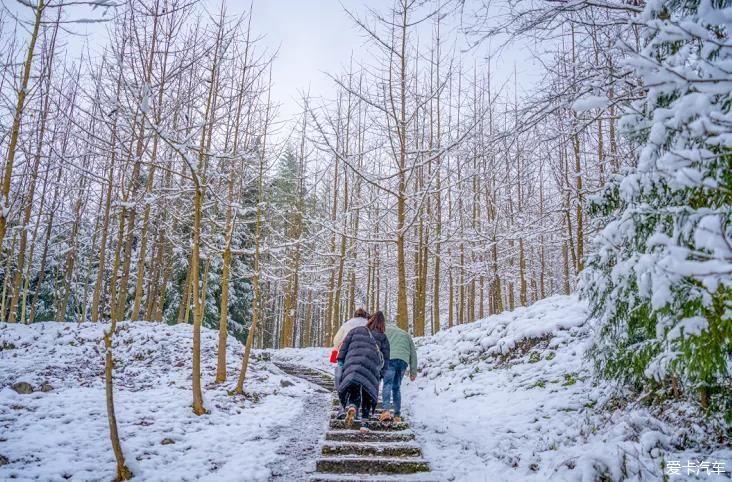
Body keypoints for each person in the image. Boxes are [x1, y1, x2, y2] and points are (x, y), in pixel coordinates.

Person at [336, 311, 390, 430]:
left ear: (369, 320)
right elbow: (386, 359)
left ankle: (352, 406)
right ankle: (364, 422)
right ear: (382, 324)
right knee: (368, 392)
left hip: (352, 364)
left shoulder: (356, 330)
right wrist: (381, 374)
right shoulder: (383, 337)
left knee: (354, 387)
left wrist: (341, 361)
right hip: (371, 368)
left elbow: (344, 347)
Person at [379, 322, 418, 423]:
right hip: (403, 361)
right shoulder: (405, 334)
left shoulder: (385, 332)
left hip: (390, 359)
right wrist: (413, 371)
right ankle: (397, 415)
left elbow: (379, 347)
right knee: (396, 388)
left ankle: (386, 411)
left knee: (387, 384)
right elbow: (413, 353)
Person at [330, 308, 370, 388]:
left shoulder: (348, 323)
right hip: (365, 352)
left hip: (348, 350)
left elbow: (337, 339)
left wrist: (335, 348)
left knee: (342, 367)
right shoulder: (369, 324)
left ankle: (341, 386)